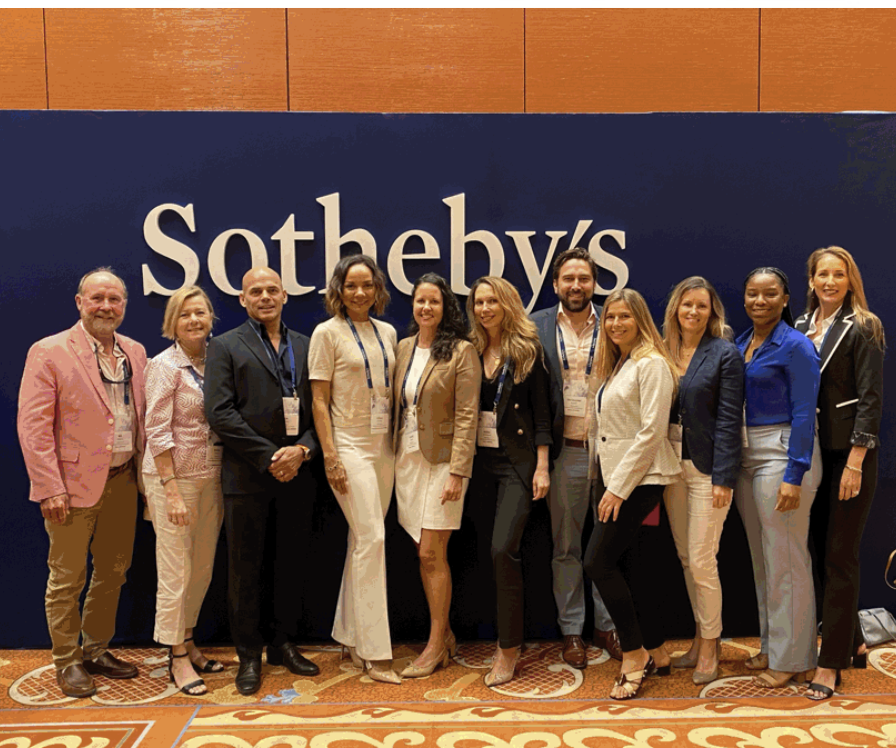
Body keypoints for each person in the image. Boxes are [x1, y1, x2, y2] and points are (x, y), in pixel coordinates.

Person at [17, 267, 146, 698]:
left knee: (113, 572)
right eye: (97, 298)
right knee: (67, 577)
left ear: (124, 306)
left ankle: (96, 650)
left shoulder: (135, 352)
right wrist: (49, 487)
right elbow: (33, 427)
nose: (106, 307)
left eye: (114, 299)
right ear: (79, 303)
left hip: (123, 480)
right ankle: (67, 660)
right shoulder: (49, 351)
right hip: (70, 486)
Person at [204, 267, 320, 696]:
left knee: (290, 564)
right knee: (245, 570)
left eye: (272, 290)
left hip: (298, 472)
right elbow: (219, 412)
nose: (265, 297)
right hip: (248, 475)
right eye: (256, 291)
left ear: (285, 295)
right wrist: (270, 456)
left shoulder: (307, 345)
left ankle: (282, 644)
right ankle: (249, 655)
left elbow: (323, 410)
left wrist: (303, 450)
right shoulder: (224, 345)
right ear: (243, 299)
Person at [794, 247, 885, 700]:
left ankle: (830, 665)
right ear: (811, 280)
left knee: (840, 556)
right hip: (809, 455)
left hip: (848, 458)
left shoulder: (864, 326)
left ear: (850, 280)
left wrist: (855, 461)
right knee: (817, 552)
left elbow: (871, 399)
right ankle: (853, 640)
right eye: (822, 274)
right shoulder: (798, 326)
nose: (830, 281)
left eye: (838, 274)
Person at [583, 288, 680, 700]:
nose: (616, 323)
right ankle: (657, 649)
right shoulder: (619, 362)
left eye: (624, 316)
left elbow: (651, 432)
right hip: (616, 477)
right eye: (610, 317)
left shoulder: (652, 363)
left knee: (597, 562)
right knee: (634, 566)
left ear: (640, 319)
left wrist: (617, 489)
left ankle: (634, 653)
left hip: (640, 480)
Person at [309, 254, 401, 684]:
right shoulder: (326, 334)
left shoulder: (388, 332)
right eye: (351, 286)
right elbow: (319, 401)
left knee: (361, 541)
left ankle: (348, 634)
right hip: (347, 446)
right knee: (373, 539)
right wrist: (330, 455)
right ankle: (374, 652)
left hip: (384, 447)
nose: (359, 293)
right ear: (339, 291)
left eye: (367, 285)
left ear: (377, 288)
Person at [531, 247, 620, 668]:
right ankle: (571, 630)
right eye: (568, 278)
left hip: (609, 453)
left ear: (594, 283)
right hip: (564, 452)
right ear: (555, 285)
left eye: (583, 278)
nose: (576, 285)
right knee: (566, 546)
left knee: (606, 545)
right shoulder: (536, 326)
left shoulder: (616, 321)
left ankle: (608, 626)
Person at [734, 267, 822, 689]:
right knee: (764, 560)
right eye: (753, 293)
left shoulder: (797, 345)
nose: (760, 301)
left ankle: (795, 659)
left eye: (770, 294)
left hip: (783, 454)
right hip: (746, 455)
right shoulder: (741, 344)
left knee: (786, 559)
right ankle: (773, 646)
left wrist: (795, 472)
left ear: (786, 299)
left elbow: (806, 411)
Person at [463, 276, 552, 688]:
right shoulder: (468, 348)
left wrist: (542, 466)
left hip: (517, 464)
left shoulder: (527, 349)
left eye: (492, 302)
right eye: (479, 302)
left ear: (507, 304)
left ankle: (509, 648)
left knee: (503, 550)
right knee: (483, 554)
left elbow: (542, 412)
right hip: (477, 464)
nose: (485, 309)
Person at [392, 273, 481, 678]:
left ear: (446, 307)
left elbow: (467, 414)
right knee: (422, 553)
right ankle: (444, 635)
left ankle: (434, 645)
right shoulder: (404, 347)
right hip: (407, 461)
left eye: (434, 301)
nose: (426, 307)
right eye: (420, 301)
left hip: (444, 463)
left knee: (431, 553)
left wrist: (458, 472)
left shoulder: (462, 350)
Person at [661, 277, 744, 685]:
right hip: (669, 470)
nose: (693, 311)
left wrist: (724, 477)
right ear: (675, 308)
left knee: (701, 560)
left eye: (701, 306)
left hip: (707, 472)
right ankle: (698, 639)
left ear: (712, 313)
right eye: (687, 304)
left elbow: (729, 420)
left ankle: (711, 646)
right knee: (685, 558)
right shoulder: (661, 350)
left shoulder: (724, 353)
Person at [143, 285, 223, 696]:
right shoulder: (163, 366)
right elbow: (156, 430)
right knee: (176, 569)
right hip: (173, 480)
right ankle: (175, 654)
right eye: (185, 314)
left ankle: (189, 640)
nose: (194, 320)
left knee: (202, 566)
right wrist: (170, 490)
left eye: (200, 312)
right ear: (172, 323)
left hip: (213, 476)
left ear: (211, 318)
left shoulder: (217, 361)